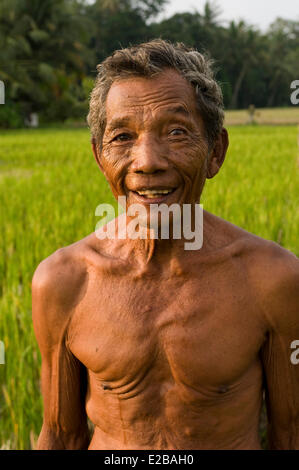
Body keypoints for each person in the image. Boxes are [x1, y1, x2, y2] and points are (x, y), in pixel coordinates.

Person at [32, 39, 299, 450]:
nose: (148, 161)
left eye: (177, 132)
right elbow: (61, 436)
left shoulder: (273, 279)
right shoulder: (63, 282)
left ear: (216, 152)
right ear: (100, 157)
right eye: (122, 136)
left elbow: (291, 434)